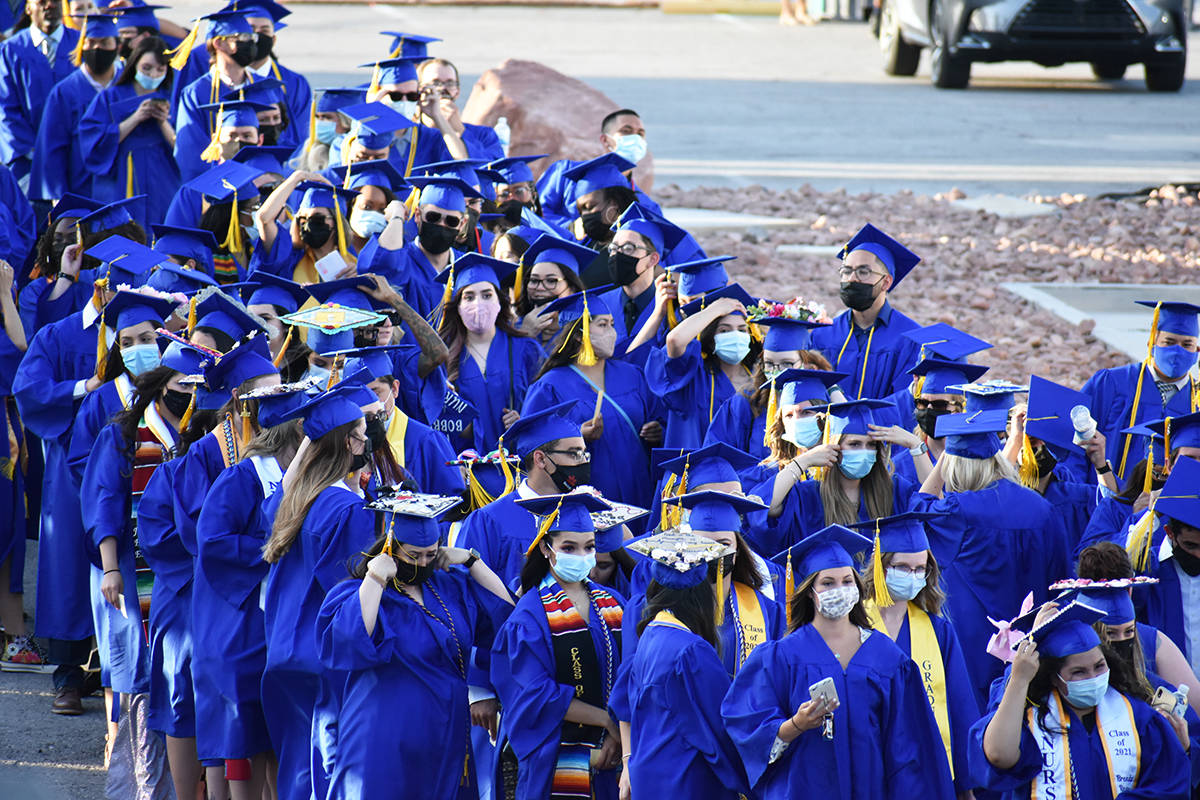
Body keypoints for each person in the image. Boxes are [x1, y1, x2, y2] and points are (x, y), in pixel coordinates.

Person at [12, 239, 148, 714]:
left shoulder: (150, 338)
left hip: (137, 468)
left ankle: (114, 674)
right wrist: (81, 387)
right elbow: (27, 389)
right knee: (71, 567)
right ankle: (69, 674)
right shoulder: (61, 334)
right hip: (71, 471)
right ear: (99, 279)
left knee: (129, 565)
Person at [722, 525, 955, 800]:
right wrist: (795, 724)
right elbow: (746, 727)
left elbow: (909, 748)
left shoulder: (888, 659)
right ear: (810, 591)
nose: (840, 589)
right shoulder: (782, 657)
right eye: (828, 583)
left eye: (847, 581)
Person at [316, 493, 513, 799]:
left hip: (445, 730)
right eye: (413, 555)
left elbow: (505, 615)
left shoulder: (448, 587)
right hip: (387, 734)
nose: (423, 563)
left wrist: (473, 562)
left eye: (430, 555)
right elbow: (350, 640)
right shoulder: (360, 593)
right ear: (391, 548)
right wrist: (375, 578)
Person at [192, 380, 308, 800]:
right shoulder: (241, 479)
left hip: (270, 625)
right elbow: (214, 541)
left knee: (273, 736)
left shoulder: (295, 480)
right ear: (297, 433)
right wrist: (272, 549)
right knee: (240, 735)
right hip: (235, 625)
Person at [81, 319, 194, 750]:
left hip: (182, 576)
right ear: (162, 386)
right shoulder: (124, 434)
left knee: (177, 671)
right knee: (133, 666)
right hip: (131, 569)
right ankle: (131, 758)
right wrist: (110, 568)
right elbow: (105, 501)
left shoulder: (197, 437)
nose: (187, 393)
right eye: (181, 384)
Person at [260, 385, 376, 800]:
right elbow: (348, 592)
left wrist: (313, 442)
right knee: (326, 769)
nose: (368, 440)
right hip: (324, 655)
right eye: (363, 433)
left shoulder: (292, 499)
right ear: (349, 443)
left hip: (286, 648)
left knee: (298, 764)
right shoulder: (347, 511)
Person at [915, 409, 1065, 703]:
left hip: (973, 643)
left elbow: (920, 508)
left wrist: (946, 455)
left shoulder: (957, 512)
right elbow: (1060, 583)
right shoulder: (1043, 509)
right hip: (1033, 642)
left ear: (955, 467)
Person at [969, 602, 1188, 798]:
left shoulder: (1139, 718)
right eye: (1079, 672)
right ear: (1054, 677)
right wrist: (1018, 678)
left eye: (1099, 666)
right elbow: (998, 756)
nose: (1093, 677)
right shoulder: (1033, 719)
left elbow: (1169, 785)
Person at [490, 492, 626, 800]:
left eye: (589, 547)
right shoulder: (529, 618)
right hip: (557, 762)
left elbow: (633, 673)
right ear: (546, 549)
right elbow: (534, 697)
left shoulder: (614, 603)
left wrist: (618, 737)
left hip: (617, 757)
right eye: (569, 548)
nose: (581, 556)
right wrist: (606, 721)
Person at [611, 529, 752, 800]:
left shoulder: (651, 636)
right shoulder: (690, 651)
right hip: (688, 782)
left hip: (652, 780)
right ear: (701, 595)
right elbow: (720, 731)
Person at [854, 511, 980, 798]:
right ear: (881, 567)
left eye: (919, 569)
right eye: (902, 567)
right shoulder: (853, 626)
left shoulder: (939, 631)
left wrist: (965, 786)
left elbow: (959, 708)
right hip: (869, 766)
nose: (912, 576)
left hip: (929, 769)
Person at [522, 287, 664, 508]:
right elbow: (530, 445)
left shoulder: (631, 375)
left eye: (612, 325)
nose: (612, 332)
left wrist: (658, 430)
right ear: (580, 335)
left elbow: (658, 416)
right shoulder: (550, 385)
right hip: (586, 494)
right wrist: (577, 435)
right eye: (602, 325)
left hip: (639, 487)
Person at [640, 489, 786, 677]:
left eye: (724, 544)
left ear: (738, 551)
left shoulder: (769, 612)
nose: (715, 552)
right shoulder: (664, 610)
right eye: (704, 543)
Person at [755, 399, 923, 556]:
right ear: (833, 447)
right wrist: (802, 462)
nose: (864, 451)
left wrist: (916, 446)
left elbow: (934, 505)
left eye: (871, 445)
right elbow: (764, 509)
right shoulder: (808, 496)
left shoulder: (893, 491)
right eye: (854, 444)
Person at [455, 402, 592, 587]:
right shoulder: (489, 521)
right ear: (541, 459)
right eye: (574, 454)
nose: (582, 462)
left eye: (584, 454)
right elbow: (470, 589)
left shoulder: (583, 512)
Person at [435, 253, 543, 455]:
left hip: (521, 463)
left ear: (500, 301)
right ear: (457, 307)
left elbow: (546, 405)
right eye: (469, 297)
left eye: (487, 295)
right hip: (467, 468)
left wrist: (525, 418)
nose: (478, 303)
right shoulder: (442, 357)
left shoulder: (526, 349)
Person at [1083, 300, 1199, 482]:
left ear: (1197, 351)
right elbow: (1075, 443)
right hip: (1100, 500)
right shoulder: (1112, 383)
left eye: (1187, 345)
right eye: (1169, 342)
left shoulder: (1197, 402)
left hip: (1165, 508)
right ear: (1152, 342)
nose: (1177, 351)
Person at [809, 224, 923, 401]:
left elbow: (906, 400)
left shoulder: (911, 339)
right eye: (846, 271)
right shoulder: (822, 334)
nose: (852, 279)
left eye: (863, 272)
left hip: (883, 427)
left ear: (886, 282)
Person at [705, 312, 831, 470]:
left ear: (806, 363)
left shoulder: (824, 399)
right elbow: (720, 458)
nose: (776, 372)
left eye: (787, 363)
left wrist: (834, 390)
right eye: (769, 364)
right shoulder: (745, 403)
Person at [30, 12, 122, 205]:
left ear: (118, 46)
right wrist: (58, 196)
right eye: (91, 42)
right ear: (81, 45)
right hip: (81, 190)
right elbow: (52, 148)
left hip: (123, 187)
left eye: (104, 43)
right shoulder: (65, 92)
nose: (97, 48)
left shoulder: (127, 86)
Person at [172, 10, 262, 181]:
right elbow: (190, 151)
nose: (250, 43)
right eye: (242, 37)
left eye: (252, 38)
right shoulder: (196, 93)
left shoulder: (264, 87)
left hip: (262, 183)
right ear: (219, 43)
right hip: (215, 185)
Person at [0, 0, 81, 184]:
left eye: (55, 1)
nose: (50, 5)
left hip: (77, 159)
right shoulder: (10, 50)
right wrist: (35, 150)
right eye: (42, 1)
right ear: (28, 7)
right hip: (28, 162)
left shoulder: (82, 44)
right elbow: (5, 109)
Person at [0, 257, 35, 671]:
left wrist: (6, 295)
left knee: (7, 528)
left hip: (5, 435)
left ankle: (13, 634)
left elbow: (20, 353)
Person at [538, 110, 655, 230]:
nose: (635, 138)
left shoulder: (647, 206)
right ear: (605, 140)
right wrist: (569, 228)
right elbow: (536, 211)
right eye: (626, 131)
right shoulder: (565, 173)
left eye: (640, 134)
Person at [1141, 455, 1200, 675]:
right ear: (1170, 533)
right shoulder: (1148, 570)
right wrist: (1152, 517)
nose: (1198, 555)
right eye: (1190, 545)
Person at [356, 55, 466, 167]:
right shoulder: (361, 135)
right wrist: (372, 113)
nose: (404, 101)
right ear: (379, 95)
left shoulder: (428, 137)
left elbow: (462, 165)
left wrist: (437, 115)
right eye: (395, 96)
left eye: (412, 96)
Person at [253, 176, 357, 283]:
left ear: (337, 222)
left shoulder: (353, 264)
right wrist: (297, 177)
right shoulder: (288, 257)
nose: (308, 224)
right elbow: (264, 219)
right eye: (302, 219)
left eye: (317, 218)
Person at [417, 56, 504, 160]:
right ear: (419, 90)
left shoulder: (484, 135)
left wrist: (461, 131)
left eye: (450, 83)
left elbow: (490, 169)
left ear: (457, 91)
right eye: (435, 83)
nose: (443, 89)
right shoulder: (410, 135)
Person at [511, 233, 589, 349]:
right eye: (534, 280)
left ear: (572, 289)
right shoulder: (511, 330)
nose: (540, 287)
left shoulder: (584, 335)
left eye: (551, 281)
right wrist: (525, 333)